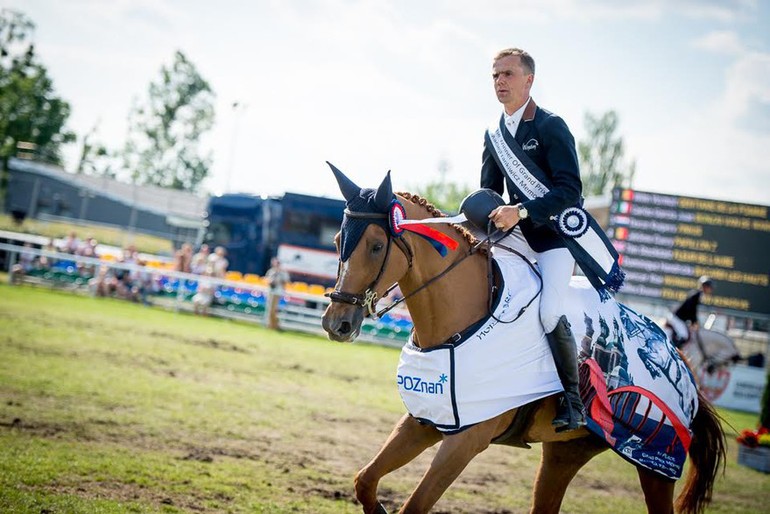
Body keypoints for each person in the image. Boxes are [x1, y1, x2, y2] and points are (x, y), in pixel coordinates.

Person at [479, 48, 622, 432]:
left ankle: (572, 402)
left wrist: (521, 211)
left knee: (546, 312)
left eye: (508, 74)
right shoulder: (494, 135)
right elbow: (489, 194)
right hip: (516, 237)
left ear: (528, 80)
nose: (500, 82)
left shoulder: (550, 126)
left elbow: (570, 192)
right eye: (495, 76)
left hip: (555, 240)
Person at [667, 276, 714, 348]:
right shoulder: (696, 295)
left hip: (680, 318)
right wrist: (694, 322)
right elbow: (691, 310)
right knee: (684, 335)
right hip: (677, 318)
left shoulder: (698, 294)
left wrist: (694, 322)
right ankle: (674, 351)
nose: (710, 289)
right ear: (705, 286)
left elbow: (691, 311)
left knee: (687, 334)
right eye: (710, 287)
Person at [265, 257, 290, 330]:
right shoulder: (271, 271)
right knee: (270, 310)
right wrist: (272, 281)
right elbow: (267, 280)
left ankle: (274, 325)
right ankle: (272, 325)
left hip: (278, 292)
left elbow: (286, 281)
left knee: (273, 310)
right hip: (271, 291)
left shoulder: (283, 272)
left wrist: (279, 277)